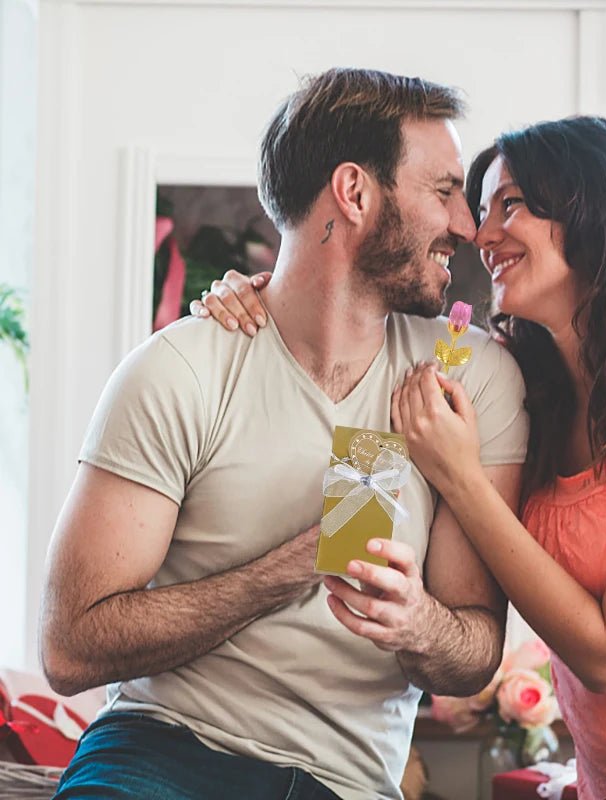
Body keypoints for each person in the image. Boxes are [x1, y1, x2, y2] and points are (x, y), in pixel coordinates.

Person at [200, 117, 606, 800]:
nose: (481, 235)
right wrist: (266, 299)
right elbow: (346, 335)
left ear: (598, 212)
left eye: (509, 205)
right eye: (480, 210)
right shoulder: (521, 389)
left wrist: (460, 476)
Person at [40, 68, 529, 800]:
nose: (467, 224)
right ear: (355, 193)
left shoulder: (475, 381)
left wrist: (418, 621)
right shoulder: (180, 371)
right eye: (444, 190)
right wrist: (288, 570)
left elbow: (472, 654)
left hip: (347, 781)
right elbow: (70, 648)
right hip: (162, 753)